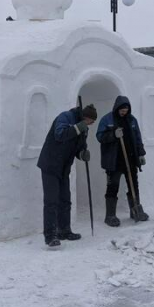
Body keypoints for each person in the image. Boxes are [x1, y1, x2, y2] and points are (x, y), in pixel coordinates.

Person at [37, 103, 98, 247]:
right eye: (90, 121)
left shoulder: (84, 129)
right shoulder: (65, 117)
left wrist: (83, 154)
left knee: (65, 200)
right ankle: (50, 236)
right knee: (51, 201)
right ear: (85, 117)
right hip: (50, 165)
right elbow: (60, 135)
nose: (90, 124)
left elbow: (78, 148)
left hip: (64, 168)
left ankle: (64, 230)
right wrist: (77, 128)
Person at [96, 96, 148, 226]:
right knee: (113, 186)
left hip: (130, 159)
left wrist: (141, 153)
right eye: (122, 109)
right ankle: (110, 215)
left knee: (133, 186)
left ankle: (135, 210)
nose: (124, 112)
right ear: (117, 108)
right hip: (113, 161)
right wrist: (113, 135)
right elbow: (100, 136)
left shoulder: (132, 120)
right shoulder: (107, 119)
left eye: (126, 109)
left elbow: (137, 137)